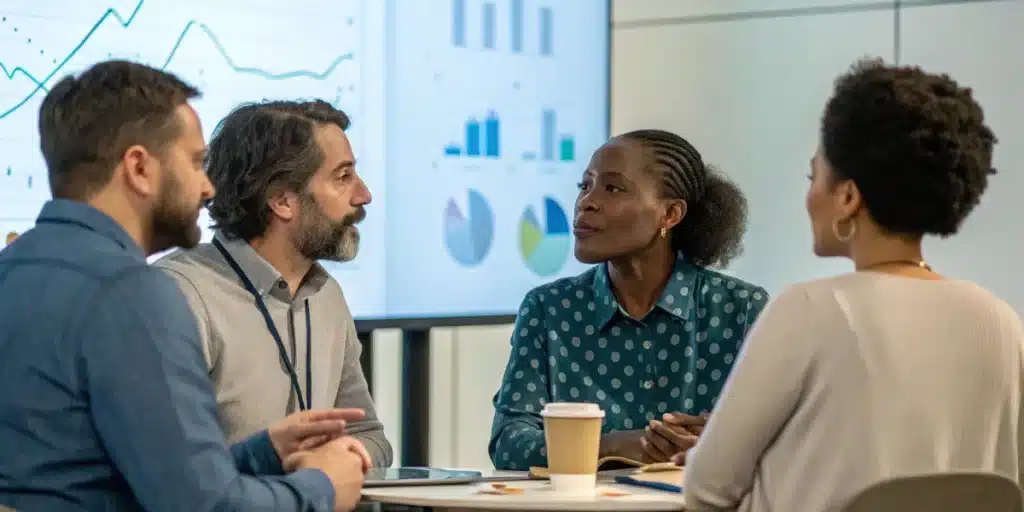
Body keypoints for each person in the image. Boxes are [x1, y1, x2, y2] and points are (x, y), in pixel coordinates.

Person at [0, 60, 370, 512]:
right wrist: (323, 488)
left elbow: (115, 479)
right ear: (139, 168)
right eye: (195, 162)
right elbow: (201, 506)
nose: (208, 187)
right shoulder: (133, 293)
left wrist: (262, 455)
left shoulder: (13, 271)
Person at [682, 59, 1023, 512]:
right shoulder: (1000, 320)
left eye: (814, 177)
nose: (809, 195)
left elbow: (706, 489)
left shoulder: (808, 309)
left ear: (847, 197)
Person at [489, 129, 769, 471]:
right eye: (585, 185)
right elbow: (508, 442)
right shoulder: (548, 309)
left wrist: (720, 442)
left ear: (670, 214)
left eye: (612, 188)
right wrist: (611, 445)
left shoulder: (741, 310)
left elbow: (784, 441)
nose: (586, 202)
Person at [154, 99, 392, 467]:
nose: (364, 195)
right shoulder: (181, 295)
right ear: (282, 201)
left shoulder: (326, 295)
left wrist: (340, 459)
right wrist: (284, 464)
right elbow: (168, 467)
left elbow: (370, 438)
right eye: (343, 177)